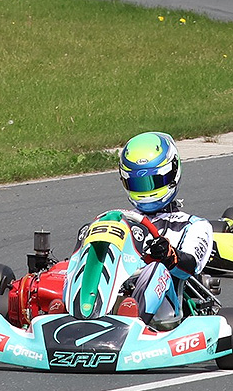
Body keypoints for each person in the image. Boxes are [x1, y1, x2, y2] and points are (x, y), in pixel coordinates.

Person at [87, 133, 213, 328]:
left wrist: (170, 256)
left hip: (166, 311)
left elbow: (191, 266)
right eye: (139, 184)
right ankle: (76, 314)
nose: (146, 191)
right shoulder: (121, 220)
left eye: (154, 182)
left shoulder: (194, 225)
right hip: (116, 293)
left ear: (172, 174)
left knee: (156, 269)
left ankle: (133, 320)